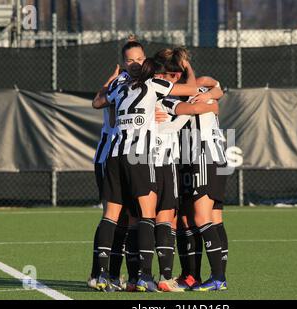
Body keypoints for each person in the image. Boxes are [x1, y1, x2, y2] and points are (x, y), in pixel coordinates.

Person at [97, 57, 199, 292]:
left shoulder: (120, 87)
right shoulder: (154, 85)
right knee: (146, 215)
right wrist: (188, 69)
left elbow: (98, 103)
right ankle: (145, 276)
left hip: (114, 154)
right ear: (155, 75)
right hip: (141, 156)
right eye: (165, 74)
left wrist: (110, 81)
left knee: (115, 216)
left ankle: (107, 275)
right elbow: (193, 90)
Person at [158, 62, 229, 291]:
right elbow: (215, 88)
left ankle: (217, 277)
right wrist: (212, 95)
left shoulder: (177, 96)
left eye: (169, 74)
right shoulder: (196, 91)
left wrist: (157, 124)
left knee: (201, 217)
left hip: (203, 156)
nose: (164, 78)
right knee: (197, 218)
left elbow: (205, 100)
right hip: (198, 158)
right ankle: (193, 276)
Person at [88, 37, 146, 292]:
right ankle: (99, 274)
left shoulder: (142, 81)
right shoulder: (122, 83)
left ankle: (114, 275)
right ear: (123, 63)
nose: (135, 64)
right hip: (110, 155)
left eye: (140, 59)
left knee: (126, 218)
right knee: (114, 215)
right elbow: (98, 102)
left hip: (131, 156)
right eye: (131, 60)